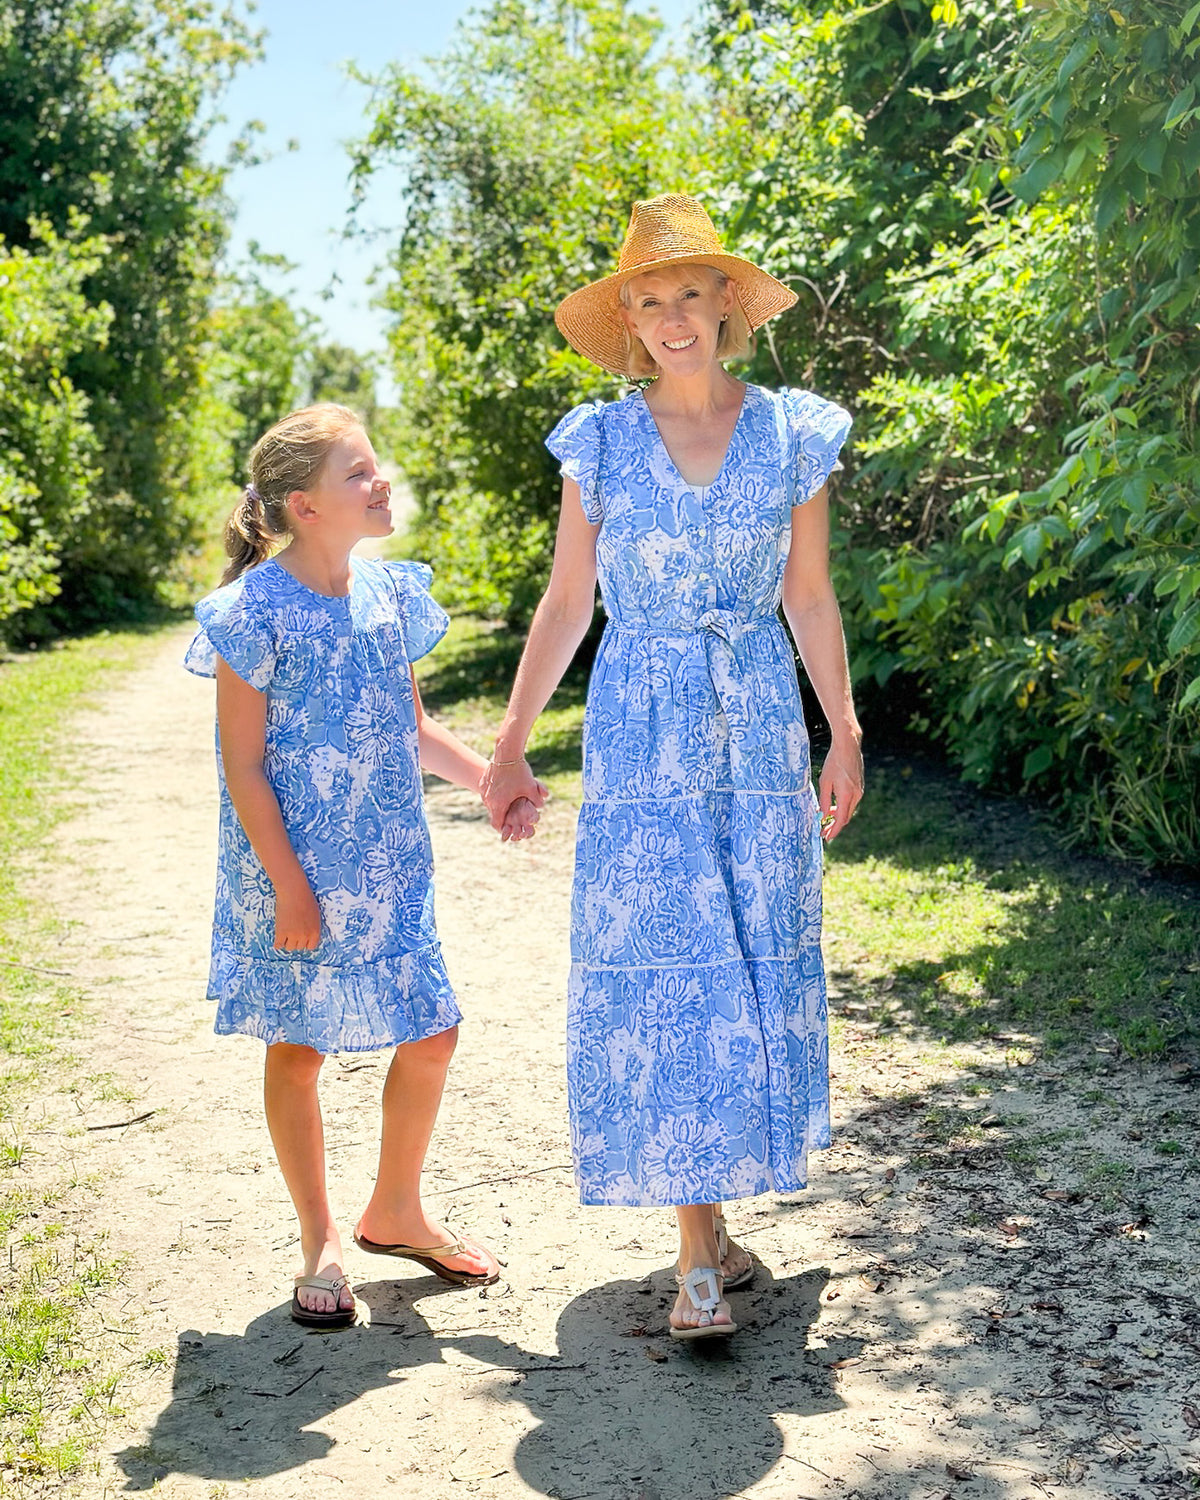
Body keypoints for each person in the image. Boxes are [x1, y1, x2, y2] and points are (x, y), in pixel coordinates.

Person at [481, 195, 864, 1341]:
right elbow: (566, 603)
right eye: (647, 301)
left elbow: (807, 595)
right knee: (671, 957)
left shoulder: (795, 434)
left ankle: (719, 1228)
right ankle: (697, 1253)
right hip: (642, 726)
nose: (668, 318)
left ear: (726, 305)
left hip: (755, 719)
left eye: (687, 293)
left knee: (746, 952)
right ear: (631, 322)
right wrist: (508, 743)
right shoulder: (596, 441)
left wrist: (843, 730)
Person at [185, 403, 543, 1328]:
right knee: (298, 1049)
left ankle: (395, 1209)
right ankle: (321, 1242)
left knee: (431, 1031)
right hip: (293, 871)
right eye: (358, 473)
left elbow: (411, 729)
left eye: (376, 466)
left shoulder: (389, 596)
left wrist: (490, 781)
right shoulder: (252, 614)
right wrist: (291, 887)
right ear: (304, 505)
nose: (380, 482)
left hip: (388, 866)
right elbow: (244, 766)